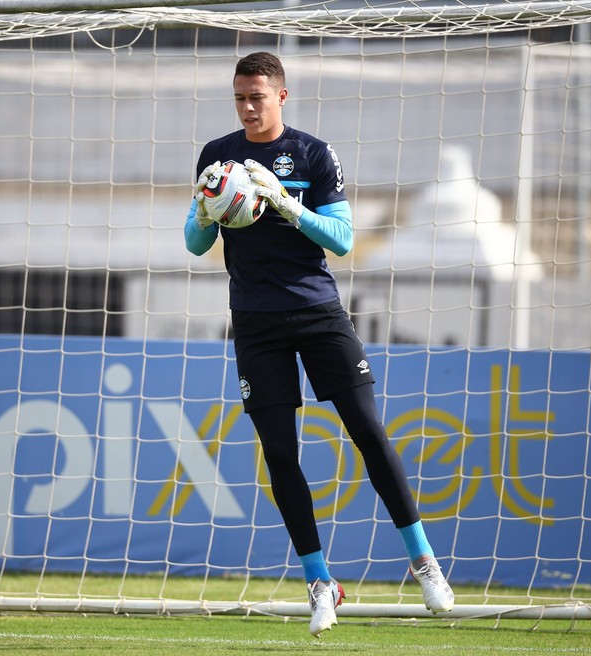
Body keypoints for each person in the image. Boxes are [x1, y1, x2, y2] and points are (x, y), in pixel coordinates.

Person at [184, 52, 454, 637]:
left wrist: (284, 201)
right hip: (255, 322)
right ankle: (320, 581)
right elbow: (192, 242)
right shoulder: (216, 157)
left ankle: (423, 559)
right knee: (280, 454)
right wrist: (210, 211)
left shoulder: (311, 153)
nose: (248, 107)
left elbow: (342, 239)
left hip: (316, 312)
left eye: (258, 96)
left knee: (368, 431)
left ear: (282, 96)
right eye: (239, 98)